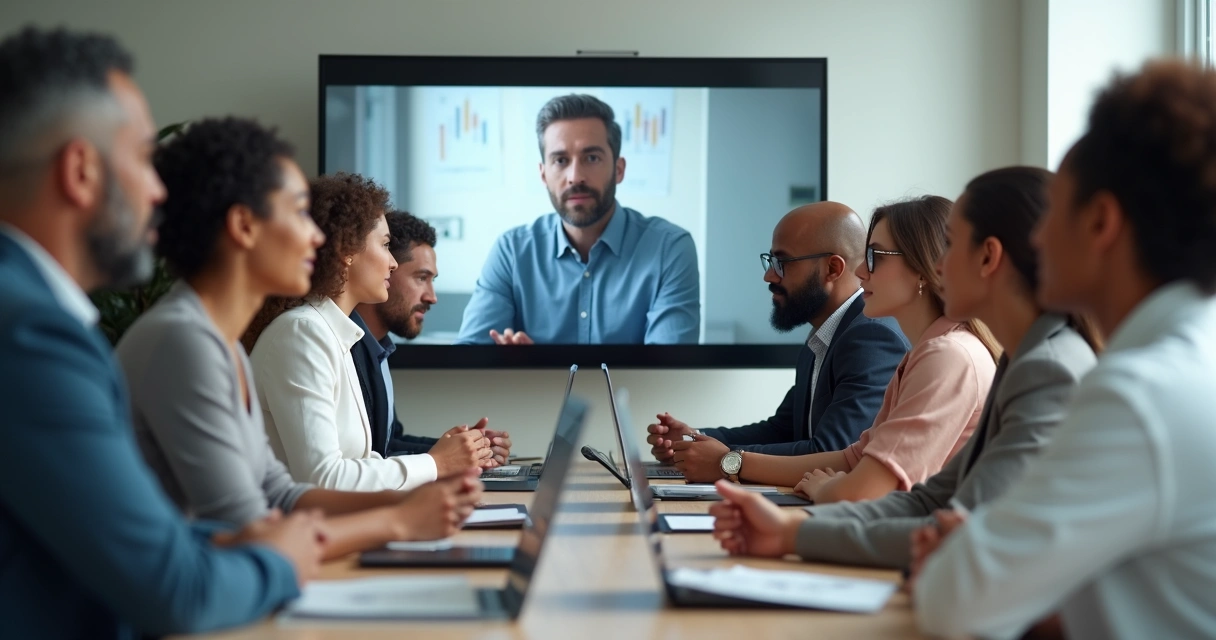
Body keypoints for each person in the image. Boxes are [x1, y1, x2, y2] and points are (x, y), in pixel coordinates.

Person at [0, 28, 325, 638]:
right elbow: (177, 593)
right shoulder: (31, 335)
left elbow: (121, 536)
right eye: (146, 160)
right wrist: (279, 558)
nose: (158, 192)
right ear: (80, 171)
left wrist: (222, 543)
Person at [913, 60, 1216, 640]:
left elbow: (956, 602)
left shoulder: (1139, 394)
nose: (1037, 236)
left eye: (1054, 212)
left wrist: (970, 559)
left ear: (1100, 221)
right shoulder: (1186, 362)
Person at [116, 118, 483, 558]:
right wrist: (401, 516)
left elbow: (281, 493)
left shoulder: (221, 342)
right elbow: (249, 528)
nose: (316, 236)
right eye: (297, 212)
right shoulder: (184, 343)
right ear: (244, 226)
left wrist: (418, 499)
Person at [707, 166, 1100, 569]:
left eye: (949, 245)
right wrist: (789, 530)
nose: (939, 263)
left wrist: (800, 515)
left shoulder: (983, 359)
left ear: (988, 256)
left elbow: (973, 533)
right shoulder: (1008, 359)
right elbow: (930, 502)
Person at [681, 196, 1000, 504]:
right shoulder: (926, 352)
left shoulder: (946, 356)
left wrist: (824, 488)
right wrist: (718, 453)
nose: (860, 271)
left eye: (874, 257)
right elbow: (853, 457)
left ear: (922, 269)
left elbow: (862, 488)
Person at [245, 172, 495, 491]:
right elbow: (323, 479)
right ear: (347, 250)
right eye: (386, 245)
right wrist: (436, 463)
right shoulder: (301, 334)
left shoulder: (337, 334)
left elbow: (363, 462)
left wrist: (446, 454)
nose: (392, 262)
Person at [645, 202, 909, 482]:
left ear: (832, 268)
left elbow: (833, 453)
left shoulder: (870, 337)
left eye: (782, 263)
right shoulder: (823, 336)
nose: (769, 275)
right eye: (770, 262)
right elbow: (782, 429)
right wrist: (695, 440)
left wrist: (724, 460)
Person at [455, 93, 700, 345]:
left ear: (618, 169)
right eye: (560, 160)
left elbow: (670, 370)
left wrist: (534, 370)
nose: (575, 176)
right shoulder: (511, 252)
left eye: (591, 158)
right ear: (543, 175)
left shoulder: (669, 248)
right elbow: (466, 359)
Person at [351, 211, 511, 462]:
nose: (432, 297)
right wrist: (444, 458)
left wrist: (468, 447)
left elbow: (387, 444)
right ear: (385, 269)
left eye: (432, 281)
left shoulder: (378, 348)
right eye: (421, 278)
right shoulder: (343, 348)